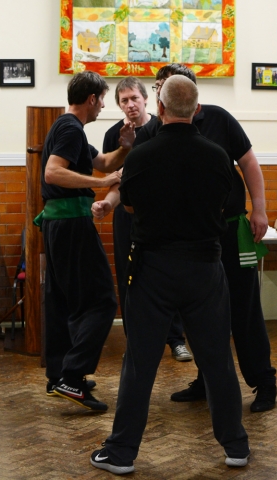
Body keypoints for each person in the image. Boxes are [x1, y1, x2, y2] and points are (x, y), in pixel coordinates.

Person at [93, 63, 277, 413]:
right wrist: (108, 201)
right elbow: (128, 177)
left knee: (244, 308)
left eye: (169, 89)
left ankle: (263, 382)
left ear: (189, 97)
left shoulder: (220, 120)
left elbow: (250, 164)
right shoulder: (155, 131)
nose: (164, 96)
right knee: (201, 313)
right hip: (193, 240)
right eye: (161, 88)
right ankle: (206, 380)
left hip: (231, 228)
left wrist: (260, 211)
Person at [35, 71, 135, 411]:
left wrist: (125, 146)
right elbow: (53, 172)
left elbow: (103, 162)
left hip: (58, 225)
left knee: (64, 301)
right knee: (103, 301)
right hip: (70, 223)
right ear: (91, 99)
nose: (104, 106)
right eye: (103, 99)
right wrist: (102, 182)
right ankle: (72, 376)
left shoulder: (69, 129)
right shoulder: (68, 128)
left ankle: (60, 376)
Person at [101, 76, 193, 361]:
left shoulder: (161, 126)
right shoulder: (113, 134)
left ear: (146, 99)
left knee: (167, 275)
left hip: (158, 216)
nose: (130, 105)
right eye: (123, 101)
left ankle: (175, 339)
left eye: (134, 99)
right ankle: (135, 339)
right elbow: (115, 179)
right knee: (129, 279)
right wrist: (107, 201)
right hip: (125, 215)